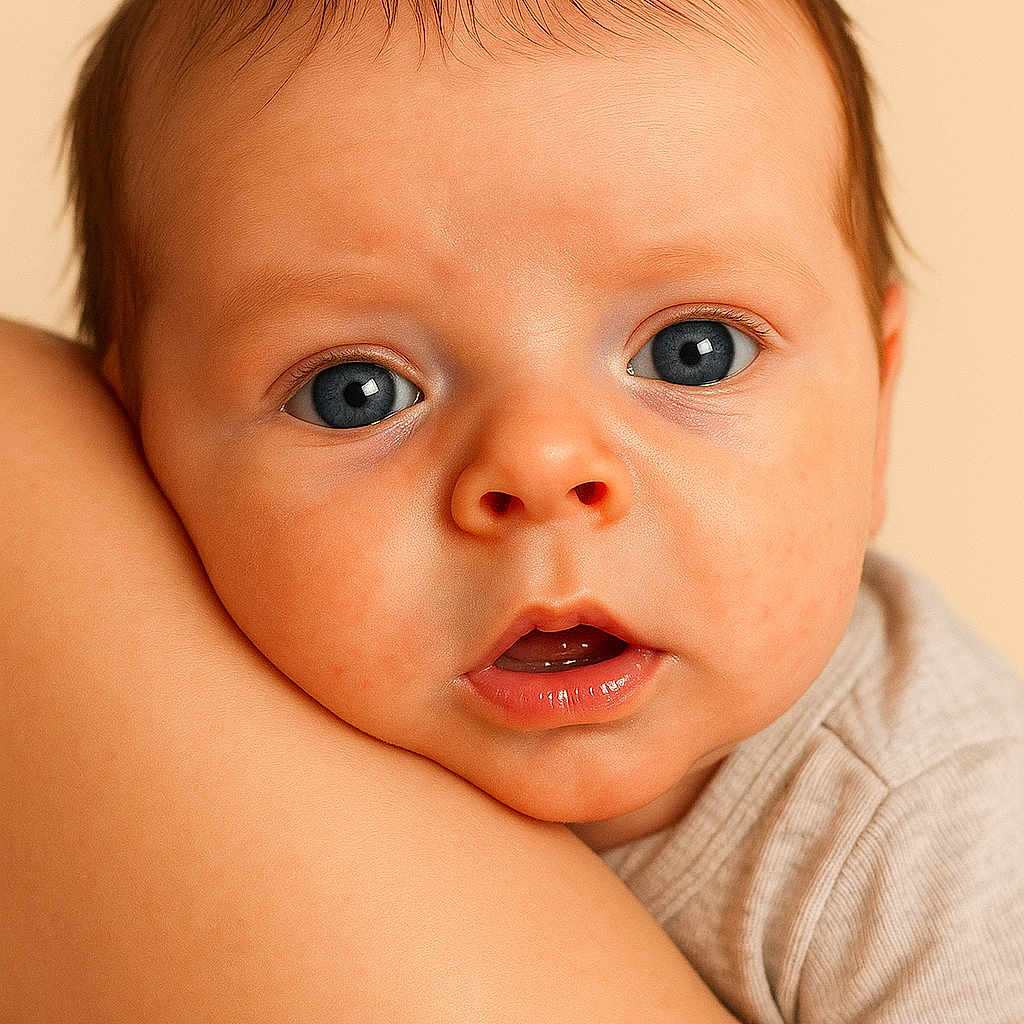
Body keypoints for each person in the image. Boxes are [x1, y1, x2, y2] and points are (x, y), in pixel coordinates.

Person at [6, 0, 1024, 1018]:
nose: (541, 470)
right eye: (353, 390)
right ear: (133, 454)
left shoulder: (940, 843)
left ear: (878, 409)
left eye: (693, 350)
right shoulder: (154, 781)